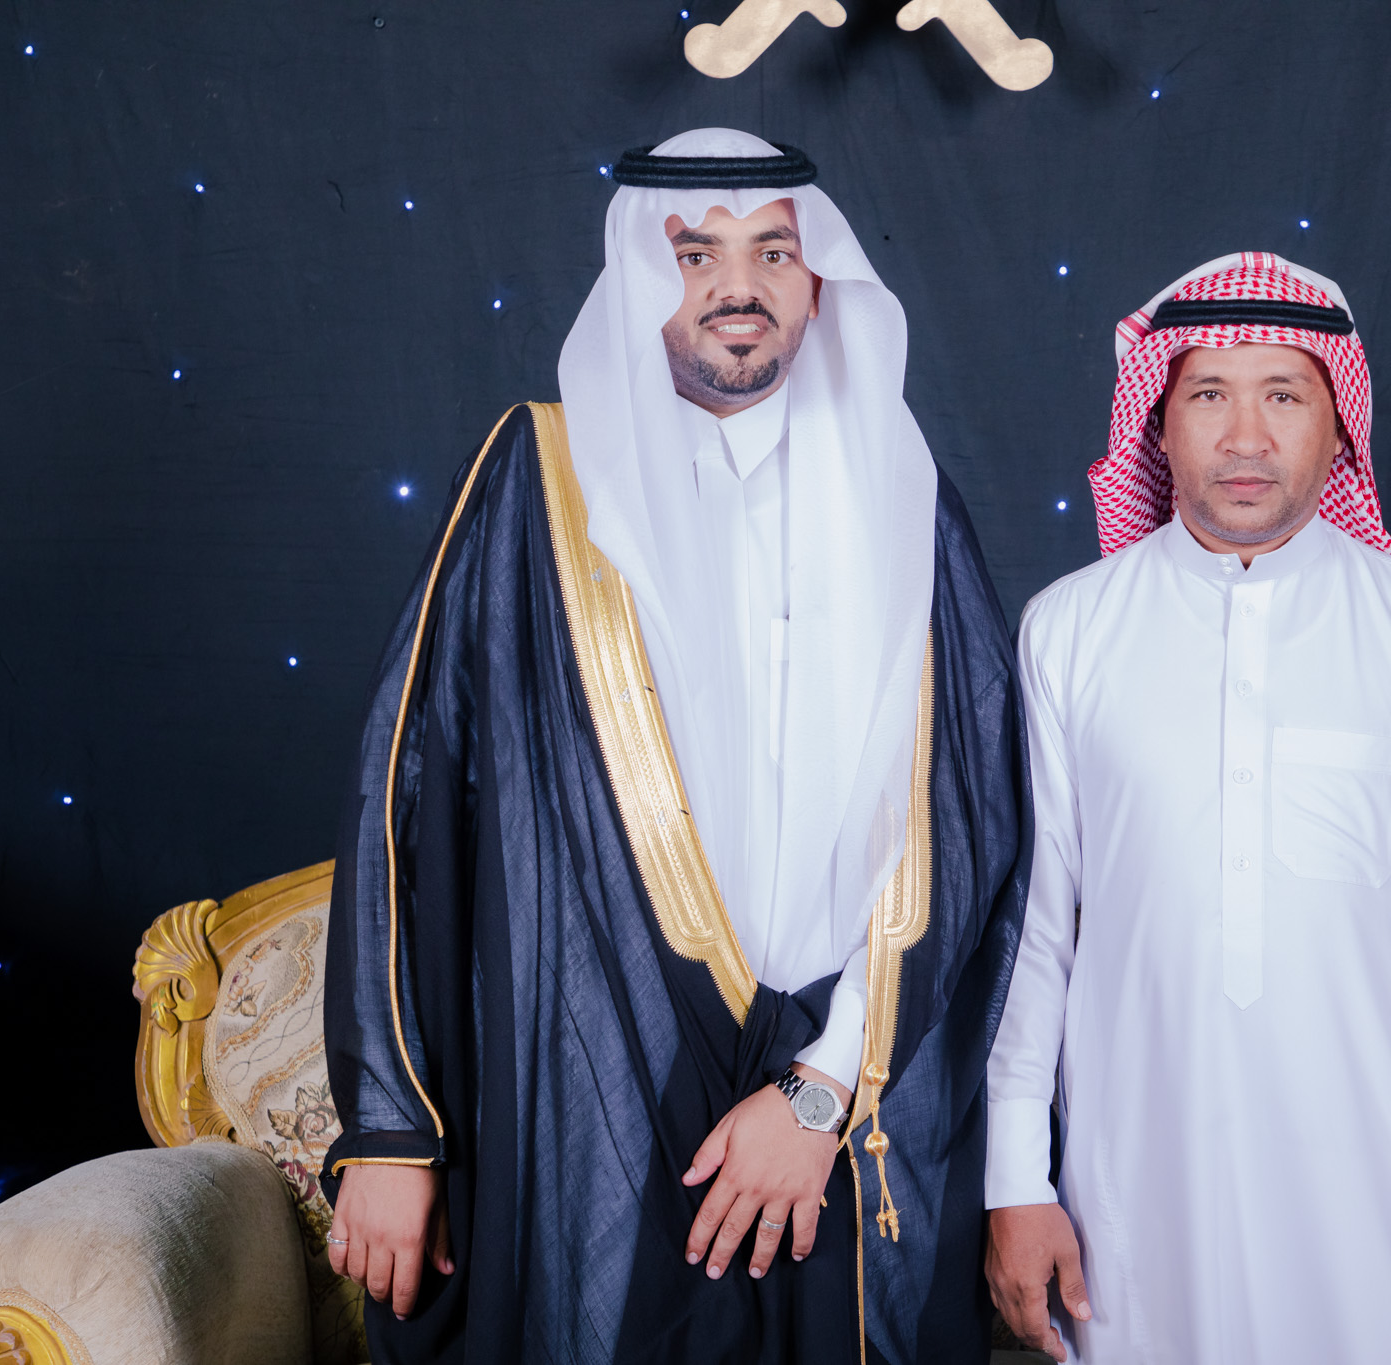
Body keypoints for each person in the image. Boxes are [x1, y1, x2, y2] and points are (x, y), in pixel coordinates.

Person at [318, 128, 1029, 1365]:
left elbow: (967, 819)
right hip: (601, 1061)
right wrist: (391, 1128)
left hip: (839, 1094)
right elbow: (405, 796)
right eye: (695, 254)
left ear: (821, 283)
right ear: (642, 280)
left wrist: (823, 1086)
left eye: (771, 253)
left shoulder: (902, 495)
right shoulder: (536, 481)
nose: (735, 287)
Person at [982, 252, 1391, 1363]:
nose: (1245, 437)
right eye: (1209, 393)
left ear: (1339, 426)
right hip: (1137, 1197)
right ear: (1157, 425)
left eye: (1284, 396)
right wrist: (1016, 1176)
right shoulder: (1067, 632)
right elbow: (1032, 937)